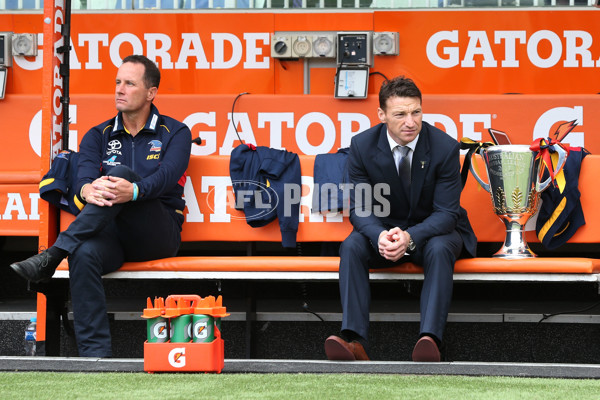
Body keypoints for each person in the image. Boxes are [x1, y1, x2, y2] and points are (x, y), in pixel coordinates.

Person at [10, 54, 192, 357]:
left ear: (151, 93)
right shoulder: (98, 134)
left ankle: (54, 254)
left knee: (119, 174)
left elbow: (165, 179)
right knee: (84, 251)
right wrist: (87, 188)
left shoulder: (176, 132)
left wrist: (132, 190)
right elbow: (81, 181)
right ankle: (95, 357)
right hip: (110, 237)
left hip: (156, 233)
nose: (119, 89)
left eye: (129, 83)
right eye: (118, 82)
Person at [324, 76, 477, 362]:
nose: (411, 122)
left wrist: (409, 237)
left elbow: (446, 213)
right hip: (385, 233)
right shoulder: (362, 145)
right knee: (352, 246)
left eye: (416, 112)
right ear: (381, 115)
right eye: (400, 114)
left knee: (440, 247)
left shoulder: (444, 147)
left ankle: (430, 340)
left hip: (434, 231)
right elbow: (359, 207)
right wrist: (378, 236)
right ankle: (353, 340)